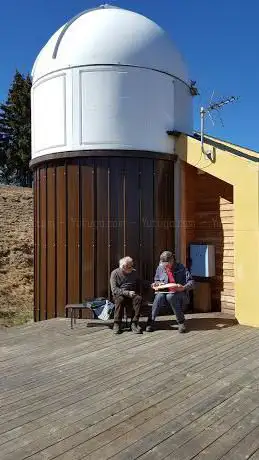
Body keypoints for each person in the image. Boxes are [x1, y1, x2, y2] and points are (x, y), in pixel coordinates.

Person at [146, 251, 194, 333]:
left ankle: (181, 322)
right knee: (159, 296)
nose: (165, 267)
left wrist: (183, 287)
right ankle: (151, 322)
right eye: (163, 265)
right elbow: (156, 279)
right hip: (164, 291)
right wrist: (156, 284)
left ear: (172, 261)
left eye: (167, 265)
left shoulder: (181, 268)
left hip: (179, 292)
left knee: (170, 296)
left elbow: (191, 282)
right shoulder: (160, 267)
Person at [110, 256, 143, 335]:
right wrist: (127, 293)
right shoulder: (115, 273)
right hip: (119, 294)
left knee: (138, 298)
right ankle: (117, 323)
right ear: (123, 267)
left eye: (132, 266)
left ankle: (134, 323)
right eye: (130, 267)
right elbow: (114, 289)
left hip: (132, 294)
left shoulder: (134, 272)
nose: (132, 268)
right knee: (120, 300)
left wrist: (151, 284)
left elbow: (141, 282)